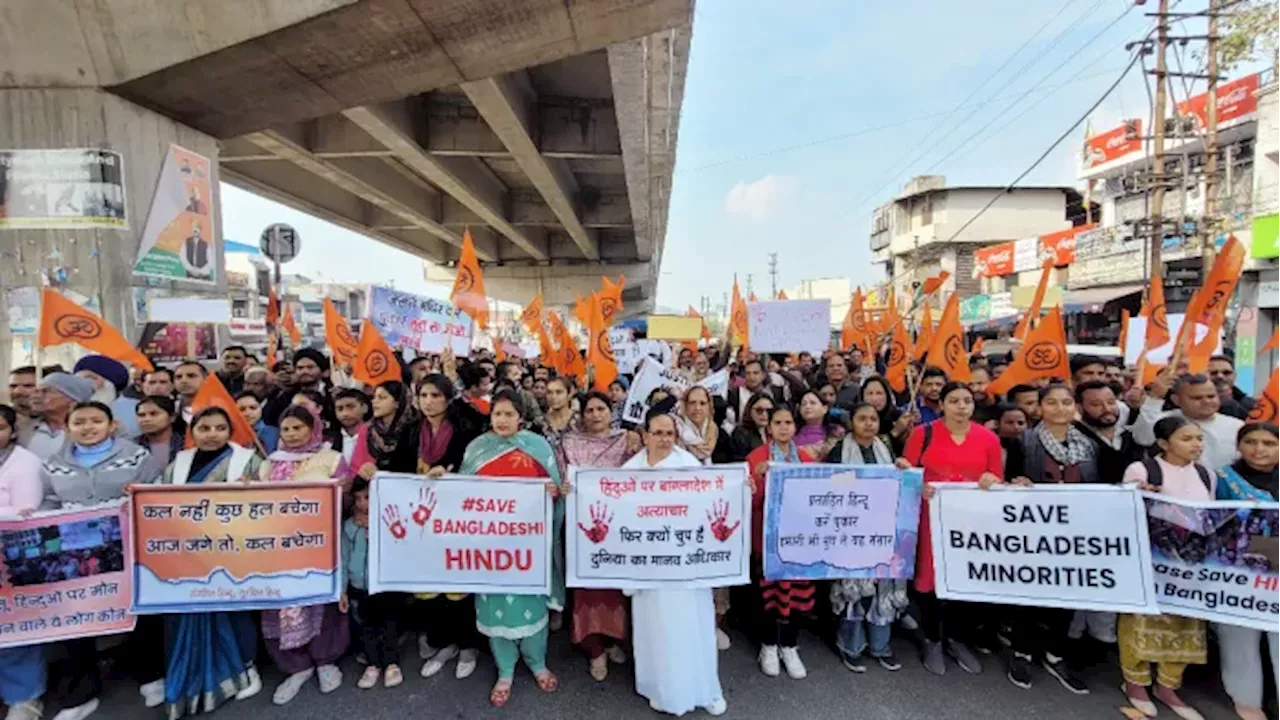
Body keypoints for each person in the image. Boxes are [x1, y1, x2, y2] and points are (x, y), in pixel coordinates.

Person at [41, 401, 158, 720]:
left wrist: (134, 496)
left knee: (138, 612)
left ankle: (150, 675)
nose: (88, 427)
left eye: (96, 421)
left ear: (112, 425)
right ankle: (83, 692)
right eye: (80, 422)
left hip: (128, 548)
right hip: (74, 555)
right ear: (68, 427)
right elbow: (50, 500)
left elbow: (153, 493)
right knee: (78, 619)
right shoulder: (53, 462)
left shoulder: (136, 456)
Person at [158, 407, 264, 716]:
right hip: (187, 550)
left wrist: (253, 488)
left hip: (234, 548)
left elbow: (271, 500)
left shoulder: (248, 461)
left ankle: (246, 666)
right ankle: (193, 675)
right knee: (190, 610)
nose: (212, 434)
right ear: (193, 432)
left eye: (220, 428)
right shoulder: (179, 464)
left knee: (236, 609)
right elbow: (158, 501)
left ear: (230, 432)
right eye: (204, 428)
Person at [460, 389, 562, 707]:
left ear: (521, 417)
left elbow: (556, 489)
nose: (502, 420)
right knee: (494, 610)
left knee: (532, 607)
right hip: (489, 550)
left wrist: (553, 490)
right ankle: (505, 671)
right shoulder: (477, 449)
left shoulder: (538, 446)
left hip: (529, 548)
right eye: (497, 414)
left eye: (508, 414)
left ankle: (537, 662)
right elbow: (460, 494)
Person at [622, 410, 727, 716]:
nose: (664, 439)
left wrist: (741, 489)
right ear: (645, 435)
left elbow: (713, 504)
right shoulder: (631, 470)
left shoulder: (689, 466)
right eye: (658, 433)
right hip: (649, 568)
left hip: (685, 568)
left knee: (692, 628)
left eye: (670, 433)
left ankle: (705, 689)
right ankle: (661, 690)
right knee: (655, 631)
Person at [1001, 385, 1099, 694]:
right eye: (1052, 403)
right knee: (1028, 595)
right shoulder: (1023, 443)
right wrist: (1016, 483)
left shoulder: (1091, 444)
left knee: (1066, 593)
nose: (1059, 409)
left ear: (1075, 407)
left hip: (1075, 533)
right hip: (1033, 532)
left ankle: (1055, 654)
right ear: (1039, 408)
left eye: (1066, 402)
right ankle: (1022, 652)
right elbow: (1008, 479)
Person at [901, 381, 1002, 676]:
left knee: (965, 579)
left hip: (972, 524)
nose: (961, 406)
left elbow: (997, 476)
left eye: (967, 401)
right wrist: (919, 486)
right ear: (942, 404)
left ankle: (956, 639)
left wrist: (990, 480)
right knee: (932, 582)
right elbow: (908, 474)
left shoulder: (988, 439)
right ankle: (932, 639)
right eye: (954, 400)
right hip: (931, 520)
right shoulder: (923, 434)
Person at [256, 406, 351, 704]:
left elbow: (346, 504)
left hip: (319, 547)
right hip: (277, 550)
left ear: (314, 429)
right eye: (286, 429)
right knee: (280, 604)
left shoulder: (332, 459)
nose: (292, 435)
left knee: (321, 601)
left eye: (298, 428)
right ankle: (295, 666)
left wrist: (342, 490)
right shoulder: (268, 465)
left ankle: (326, 661)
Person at [1118, 416, 1212, 719]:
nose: (1196, 445)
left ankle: (1168, 686)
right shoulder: (1143, 470)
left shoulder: (1207, 474)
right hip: (1151, 559)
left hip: (1191, 562)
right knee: (1141, 621)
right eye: (1187, 439)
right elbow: (1124, 512)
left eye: (1199, 438)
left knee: (1186, 624)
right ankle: (1135, 682)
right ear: (1163, 443)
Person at [412, 373, 486, 680]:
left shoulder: (465, 428)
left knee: (459, 584)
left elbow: (471, 464)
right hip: (423, 520)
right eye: (423, 395)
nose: (428, 401)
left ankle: (469, 645)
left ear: (447, 398)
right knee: (430, 585)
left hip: (458, 520)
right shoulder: (412, 431)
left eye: (434, 395)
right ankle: (444, 643)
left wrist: (451, 470)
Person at [556, 391, 633, 681]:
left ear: (610, 411)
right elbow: (562, 477)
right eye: (590, 410)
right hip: (583, 530)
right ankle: (594, 650)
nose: (596, 414)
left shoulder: (626, 441)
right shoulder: (569, 443)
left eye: (601, 408)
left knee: (614, 589)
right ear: (583, 414)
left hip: (616, 528)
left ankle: (612, 640)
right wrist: (563, 487)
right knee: (586, 590)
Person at [826, 403, 907, 673]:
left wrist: (903, 470)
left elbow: (901, 484)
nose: (869, 424)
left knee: (882, 587)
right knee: (854, 592)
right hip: (850, 529)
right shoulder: (840, 450)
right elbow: (828, 486)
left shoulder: (886, 448)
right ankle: (851, 646)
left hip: (883, 530)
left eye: (873, 419)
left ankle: (881, 646)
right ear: (852, 423)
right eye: (862, 419)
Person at [1213, 423, 1280, 720]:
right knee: (1239, 635)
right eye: (1251, 442)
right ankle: (1247, 700)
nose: (1259, 449)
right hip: (1238, 568)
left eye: (1268, 443)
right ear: (1238, 446)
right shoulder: (1222, 478)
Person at [746, 406, 817, 680]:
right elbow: (749, 503)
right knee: (769, 598)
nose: (784, 427)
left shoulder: (808, 461)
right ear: (769, 427)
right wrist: (757, 480)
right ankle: (768, 645)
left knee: (796, 596)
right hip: (767, 541)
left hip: (799, 542)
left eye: (788, 422)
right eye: (778, 422)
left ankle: (790, 645)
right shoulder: (756, 458)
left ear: (795, 427)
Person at [0, 404, 46, 720]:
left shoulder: (25, 463)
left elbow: (25, 513)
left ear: (12, 430)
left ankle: (25, 697)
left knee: (14, 630)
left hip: (9, 555)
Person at [342, 477, 404, 690]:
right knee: (365, 625)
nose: (362, 504)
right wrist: (342, 590)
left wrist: (378, 529)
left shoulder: (389, 521)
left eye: (367, 498)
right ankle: (372, 663)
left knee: (388, 623)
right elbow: (343, 557)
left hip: (384, 584)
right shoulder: (349, 527)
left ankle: (391, 662)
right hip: (359, 585)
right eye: (357, 499)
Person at [1133, 373, 1243, 472]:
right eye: (1197, 398)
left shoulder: (1237, 426)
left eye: (1211, 396)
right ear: (1176, 400)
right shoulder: (1165, 420)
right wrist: (1154, 399)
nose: (1206, 401)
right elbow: (1143, 438)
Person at [1074, 380, 1142, 484]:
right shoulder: (1074, 437)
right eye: (1096, 404)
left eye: (1111, 402)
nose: (1107, 409)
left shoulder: (1132, 435)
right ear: (1079, 408)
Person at [351, 381, 417, 478]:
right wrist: (364, 471)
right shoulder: (368, 429)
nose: (374, 401)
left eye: (382, 397)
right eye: (374, 397)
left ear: (398, 403)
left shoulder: (414, 428)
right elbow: (356, 466)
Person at [26, 373, 95, 461]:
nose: (35, 396)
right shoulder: (23, 428)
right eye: (36, 391)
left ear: (72, 400)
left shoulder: (90, 431)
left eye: (46, 391)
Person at [72, 355, 140, 438]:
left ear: (109, 384)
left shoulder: (137, 409)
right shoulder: (68, 410)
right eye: (79, 379)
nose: (85, 385)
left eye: (90, 378)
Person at [135, 395, 185, 480]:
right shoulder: (132, 447)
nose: (147, 419)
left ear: (172, 417)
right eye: (141, 415)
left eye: (154, 414)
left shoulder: (187, 444)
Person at [860, 376, 912, 453]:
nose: (874, 399)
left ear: (887, 396)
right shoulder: (857, 418)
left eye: (879, 393)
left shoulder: (898, 417)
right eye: (869, 393)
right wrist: (895, 432)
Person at [676, 385, 723, 466]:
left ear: (709, 406)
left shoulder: (716, 431)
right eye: (692, 403)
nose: (697, 408)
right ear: (685, 405)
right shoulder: (675, 430)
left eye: (702, 403)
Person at [726, 393, 773, 462]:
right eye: (759, 410)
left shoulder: (775, 433)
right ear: (750, 410)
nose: (764, 414)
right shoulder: (740, 433)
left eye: (769, 411)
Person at [1208, 355, 1255, 420]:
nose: (1220, 376)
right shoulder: (1192, 404)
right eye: (1213, 373)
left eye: (1226, 373)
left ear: (1234, 376)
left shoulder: (1252, 406)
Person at [794, 390, 836, 459]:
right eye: (804, 404)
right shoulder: (792, 432)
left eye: (812, 403)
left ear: (825, 409)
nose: (807, 407)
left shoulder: (835, 432)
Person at [334, 389, 370, 464]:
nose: (345, 413)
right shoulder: (331, 440)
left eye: (350, 407)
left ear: (364, 408)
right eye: (340, 409)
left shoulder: (376, 437)